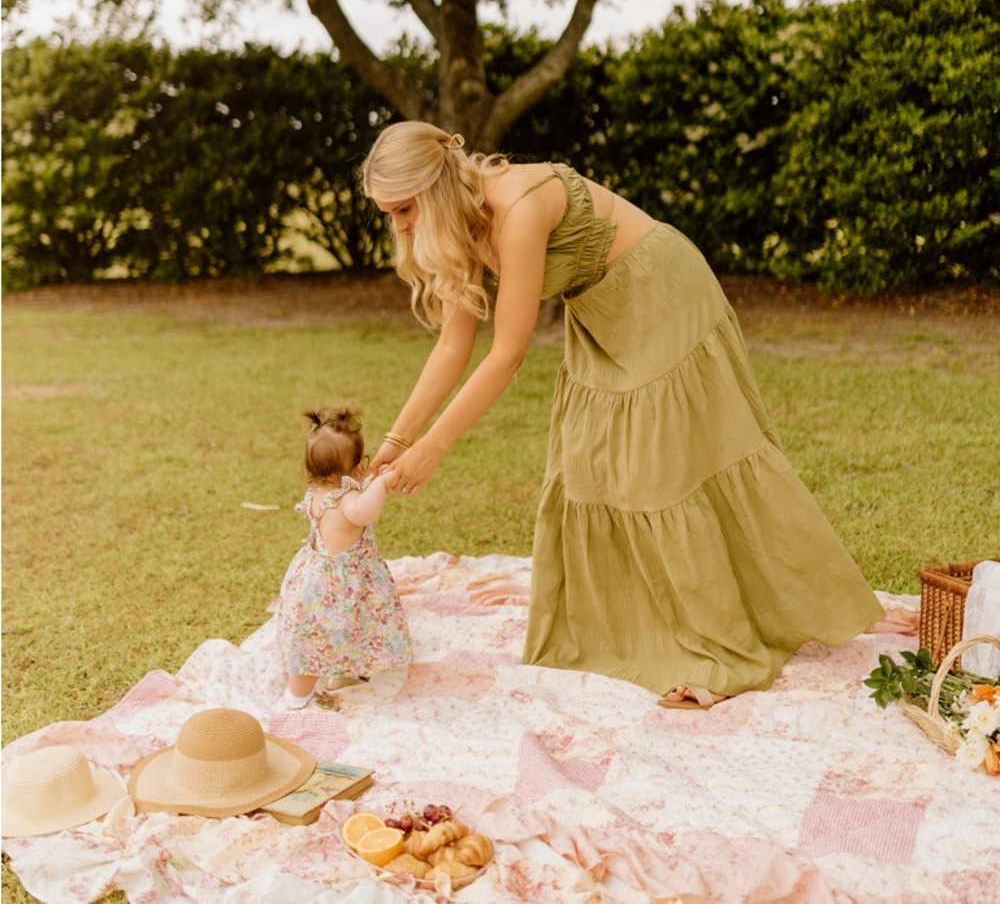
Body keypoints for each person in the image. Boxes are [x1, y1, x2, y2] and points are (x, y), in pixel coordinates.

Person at [362, 121, 884, 707]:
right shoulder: (457, 225)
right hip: (602, 312)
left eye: (404, 209)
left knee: (663, 475)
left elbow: (506, 354)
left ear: (435, 187)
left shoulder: (518, 208)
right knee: (587, 470)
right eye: (388, 214)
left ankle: (722, 648)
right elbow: (453, 345)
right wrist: (399, 439)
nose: (399, 226)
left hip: (660, 292)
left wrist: (434, 448)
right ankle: (627, 632)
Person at [275, 406, 412, 709]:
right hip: (340, 586)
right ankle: (304, 692)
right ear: (357, 466)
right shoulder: (350, 501)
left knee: (312, 638)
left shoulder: (318, 495)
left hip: (313, 580)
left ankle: (304, 689)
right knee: (344, 629)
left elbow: (357, 496)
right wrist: (382, 483)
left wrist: (371, 481)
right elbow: (365, 511)